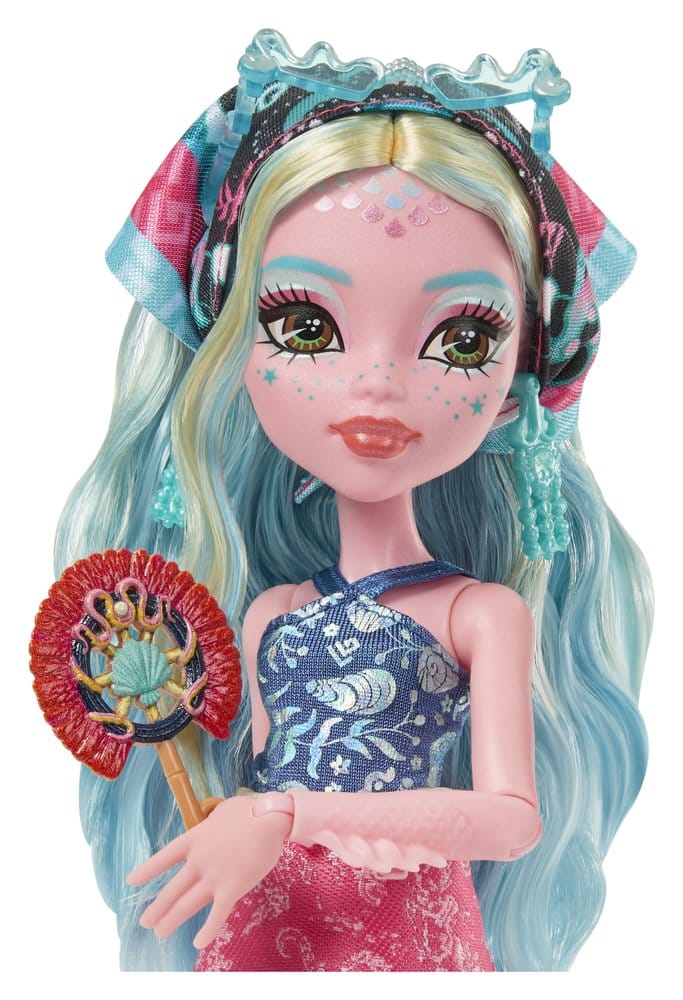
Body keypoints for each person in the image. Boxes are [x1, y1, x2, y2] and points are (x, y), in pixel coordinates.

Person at [54, 31, 651, 972]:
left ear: (515, 387)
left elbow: (508, 820)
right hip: (264, 926)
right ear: (232, 359)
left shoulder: (479, 612)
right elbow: (260, 780)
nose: (375, 383)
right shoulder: (269, 614)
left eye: (460, 340)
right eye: (304, 326)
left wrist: (287, 813)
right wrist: (237, 817)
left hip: (409, 935)